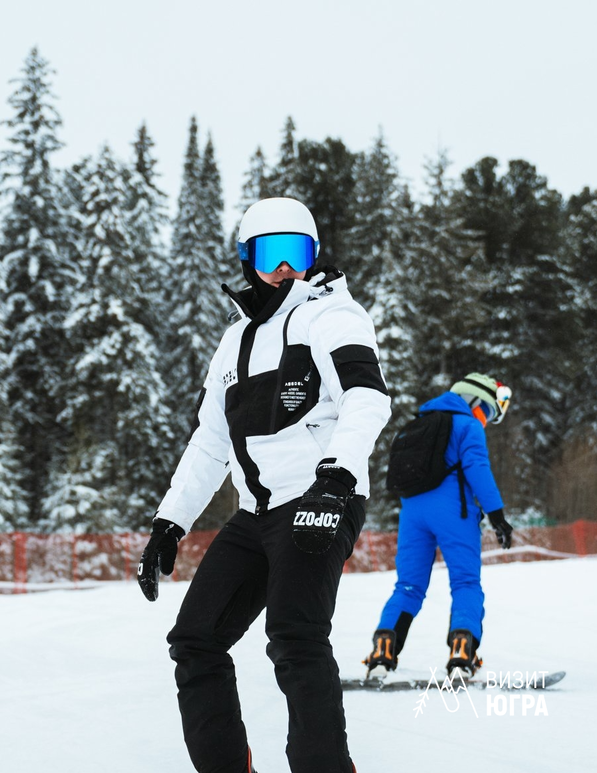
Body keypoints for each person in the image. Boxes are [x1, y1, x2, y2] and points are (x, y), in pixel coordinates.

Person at [138, 197, 391, 773]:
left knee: (295, 638)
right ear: (249, 259)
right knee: (195, 640)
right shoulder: (233, 343)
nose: (285, 269)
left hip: (321, 496)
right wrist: (168, 524)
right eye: (272, 254)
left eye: (298, 253)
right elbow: (209, 442)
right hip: (257, 512)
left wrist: (336, 477)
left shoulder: (332, 315)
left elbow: (366, 398)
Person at [365, 374, 513, 677]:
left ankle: (383, 651)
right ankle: (463, 653)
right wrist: (497, 515)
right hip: (454, 512)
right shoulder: (467, 425)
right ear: (474, 400)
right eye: (486, 411)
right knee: (465, 583)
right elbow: (477, 468)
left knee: (408, 585)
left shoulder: (418, 423)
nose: (484, 420)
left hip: (412, 514)